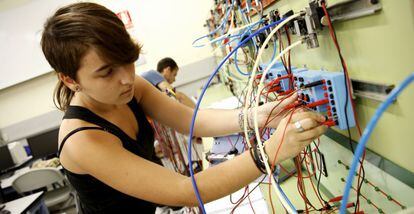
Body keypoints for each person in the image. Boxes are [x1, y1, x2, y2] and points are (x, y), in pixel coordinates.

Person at [42, 2, 327, 213]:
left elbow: (193, 121)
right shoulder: (82, 140)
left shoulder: (130, 88)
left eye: (128, 60)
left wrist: (260, 116)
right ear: (70, 79)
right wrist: (269, 152)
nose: (127, 78)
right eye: (106, 72)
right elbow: (183, 191)